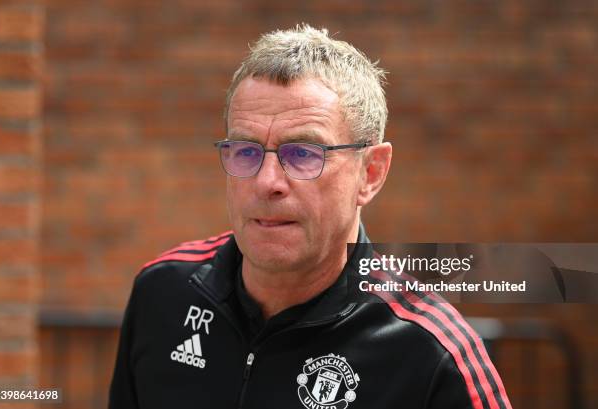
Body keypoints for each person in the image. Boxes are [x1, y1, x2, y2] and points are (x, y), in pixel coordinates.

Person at [109, 24, 511, 409]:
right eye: (246, 151)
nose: (268, 182)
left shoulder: (433, 354)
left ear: (370, 173)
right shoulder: (162, 292)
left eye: (303, 154)